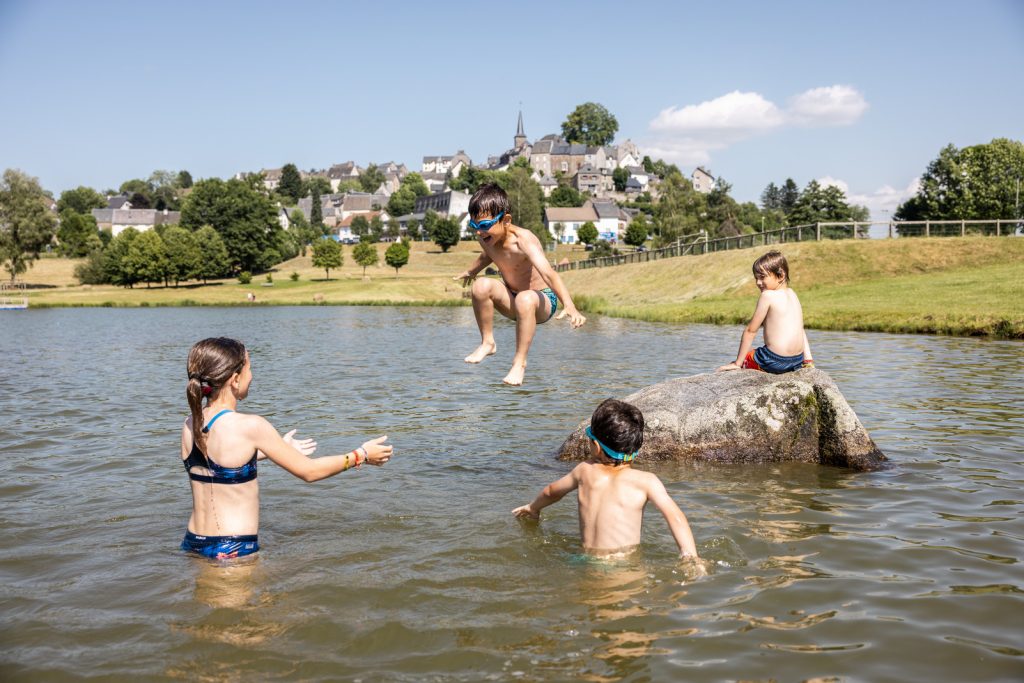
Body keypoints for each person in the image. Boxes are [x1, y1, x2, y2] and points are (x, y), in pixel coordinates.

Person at [180, 337, 393, 560]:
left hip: (193, 543)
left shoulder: (189, 424)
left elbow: (218, 463)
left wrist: (279, 449)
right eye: (249, 369)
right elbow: (310, 472)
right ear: (234, 379)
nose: (252, 376)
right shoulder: (251, 426)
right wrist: (362, 455)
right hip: (233, 548)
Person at [513, 399, 699, 560]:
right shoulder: (646, 481)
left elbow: (551, 491)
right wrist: (690, 555)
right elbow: (675, 517)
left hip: (584, 559)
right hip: (621, 563)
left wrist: (533, 508)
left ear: (596, 446)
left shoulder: (584, 470)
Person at [454, 183, 586, 386]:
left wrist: (570, 305)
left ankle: (519, 363)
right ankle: (487, 342)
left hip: (541, 302)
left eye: (483, 226)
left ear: (505, 220)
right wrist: (471, 271)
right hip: (512, 298)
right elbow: (487, 255)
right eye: (474, 226)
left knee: (525, 298)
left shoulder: (524, 240)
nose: (479, 233)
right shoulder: (486, 238)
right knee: (480, 286)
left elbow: (549, 275)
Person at [717, 250, 814, 374]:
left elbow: (750, 331)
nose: (758, 282)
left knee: (747, 354)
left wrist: (738, 363)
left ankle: (738, 364)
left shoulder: (767, 296)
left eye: (762, 277)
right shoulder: (792, 293)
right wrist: (808, 360)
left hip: (773, 361)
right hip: (797, 361)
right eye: (756, 278)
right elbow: (800, 329)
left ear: (781, 275)